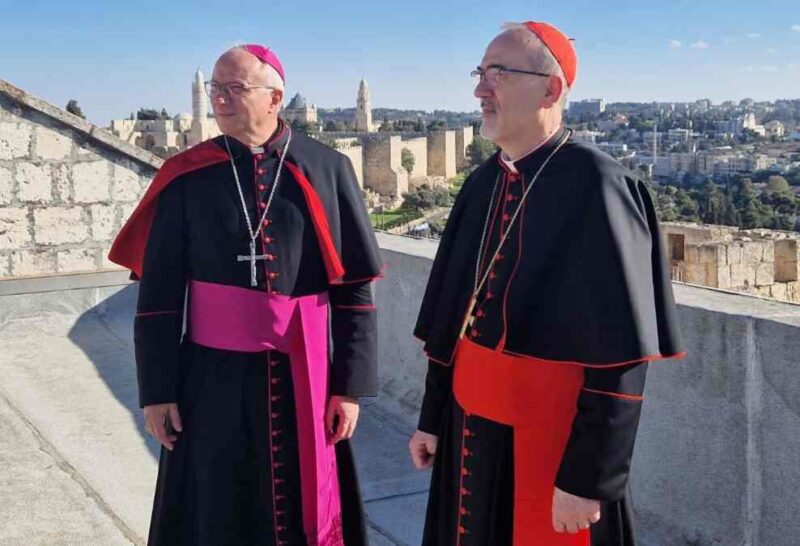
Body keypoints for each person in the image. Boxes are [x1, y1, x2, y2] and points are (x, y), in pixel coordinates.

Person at [408, 22, 684, 546]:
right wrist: (432, 418)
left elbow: (620, 359)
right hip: (468, 432)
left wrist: (589, 480)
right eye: (479, 73)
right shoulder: (482, 182)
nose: (480, 89)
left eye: (498, 74)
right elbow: (451, 324)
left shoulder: (601, 186)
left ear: (551, 90)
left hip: (553, 448)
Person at [109, 44, 382, 546]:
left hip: (305, 377)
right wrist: (157, 391)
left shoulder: (327, 168)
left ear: (275, 97)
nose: (220, 98)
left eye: (235, 88)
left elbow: (354, 291)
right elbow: (159, 297)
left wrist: (349, 387)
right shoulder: (185, 176)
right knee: (214, 509)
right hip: (210, 380)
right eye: (215, 88)